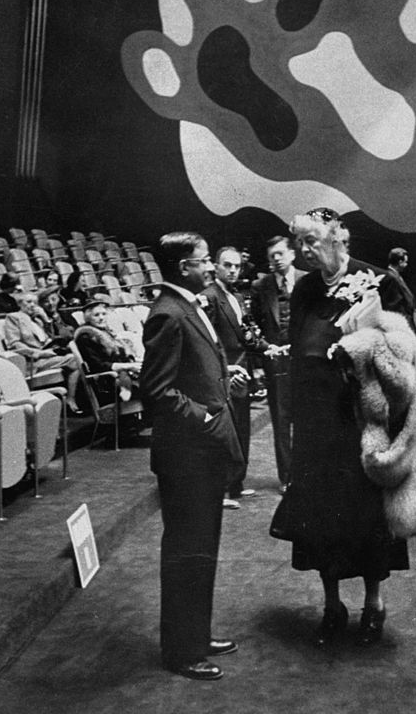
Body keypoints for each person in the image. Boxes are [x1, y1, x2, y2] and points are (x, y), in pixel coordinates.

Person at [284, 207, 405, 647]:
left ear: (339, 237)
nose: (302, 250)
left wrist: (358, 359)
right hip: (317, 429)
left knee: (366, 518)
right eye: (297, 241)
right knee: (321, 520)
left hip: (361, 424)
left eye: (310, 240)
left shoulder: (380, 284)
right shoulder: (303, 290)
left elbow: (404, 359)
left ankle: (374, 604)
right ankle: (331, 604)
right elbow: (298, 352)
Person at [139, 232, 246, 681]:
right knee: (186, 551)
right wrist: (204, 417)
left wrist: (225, 379)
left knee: (202, 550)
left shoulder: (188, 306)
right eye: (205, 261)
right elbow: (157, 391)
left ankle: (196, 635)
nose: (211, 268)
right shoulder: (168, 313)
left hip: (201, 455)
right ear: (184, 268)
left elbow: (194, 369)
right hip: (186, 455)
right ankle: (181, 651)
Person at [249, 235, 305, 492]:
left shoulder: (308, 281)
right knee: (281, 422)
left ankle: (308, 473)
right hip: (276, 362)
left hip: (305, 362)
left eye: (280, 254)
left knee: (307, 421)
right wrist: (262, 358)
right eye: (272, 256)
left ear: (293, 254)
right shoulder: (261, 286)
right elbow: (256, 327)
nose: (276, 259)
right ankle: (287, 477)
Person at [203, 246, 254, 509]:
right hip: (224, 375)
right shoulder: (209, 296)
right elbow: (209, 341)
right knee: (225, 432)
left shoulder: (237, 295)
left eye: (236, 266)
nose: (233, 270)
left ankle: (236, 484)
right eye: (227, 265)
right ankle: (221, 490)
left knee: (241, 428)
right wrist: (224, 372)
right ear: (215, 266)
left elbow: (245, 334)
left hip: (242, 369)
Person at [3, 291, 81, 413]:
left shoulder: (37, 320)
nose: (33, 305)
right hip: (32, 361)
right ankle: (71, 399)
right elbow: (14, 344)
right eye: (28, 302)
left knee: (77, 355)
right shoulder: (13, 317)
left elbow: (50, 338)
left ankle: (73, 399)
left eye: (35, 302)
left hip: (47, 357)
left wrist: (46, 320)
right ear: (19, 304)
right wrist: (39, 353)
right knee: (74, 359)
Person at [73, 298, 141, 408]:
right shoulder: (85, 336)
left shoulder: (106, 332)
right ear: (88, 317)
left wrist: (134, 363)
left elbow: (121, 356)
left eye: (104, 314)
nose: (101, 318)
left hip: (123, 373)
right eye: (96, 315)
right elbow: (98, 365)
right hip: (107, 381)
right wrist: (128, 366)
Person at [378, 247, 416, 331]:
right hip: (401, 323)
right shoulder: (391, 278)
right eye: (405, 262)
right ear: (400, 262)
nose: (406, 265)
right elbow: (393, 305)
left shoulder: (395, 276)